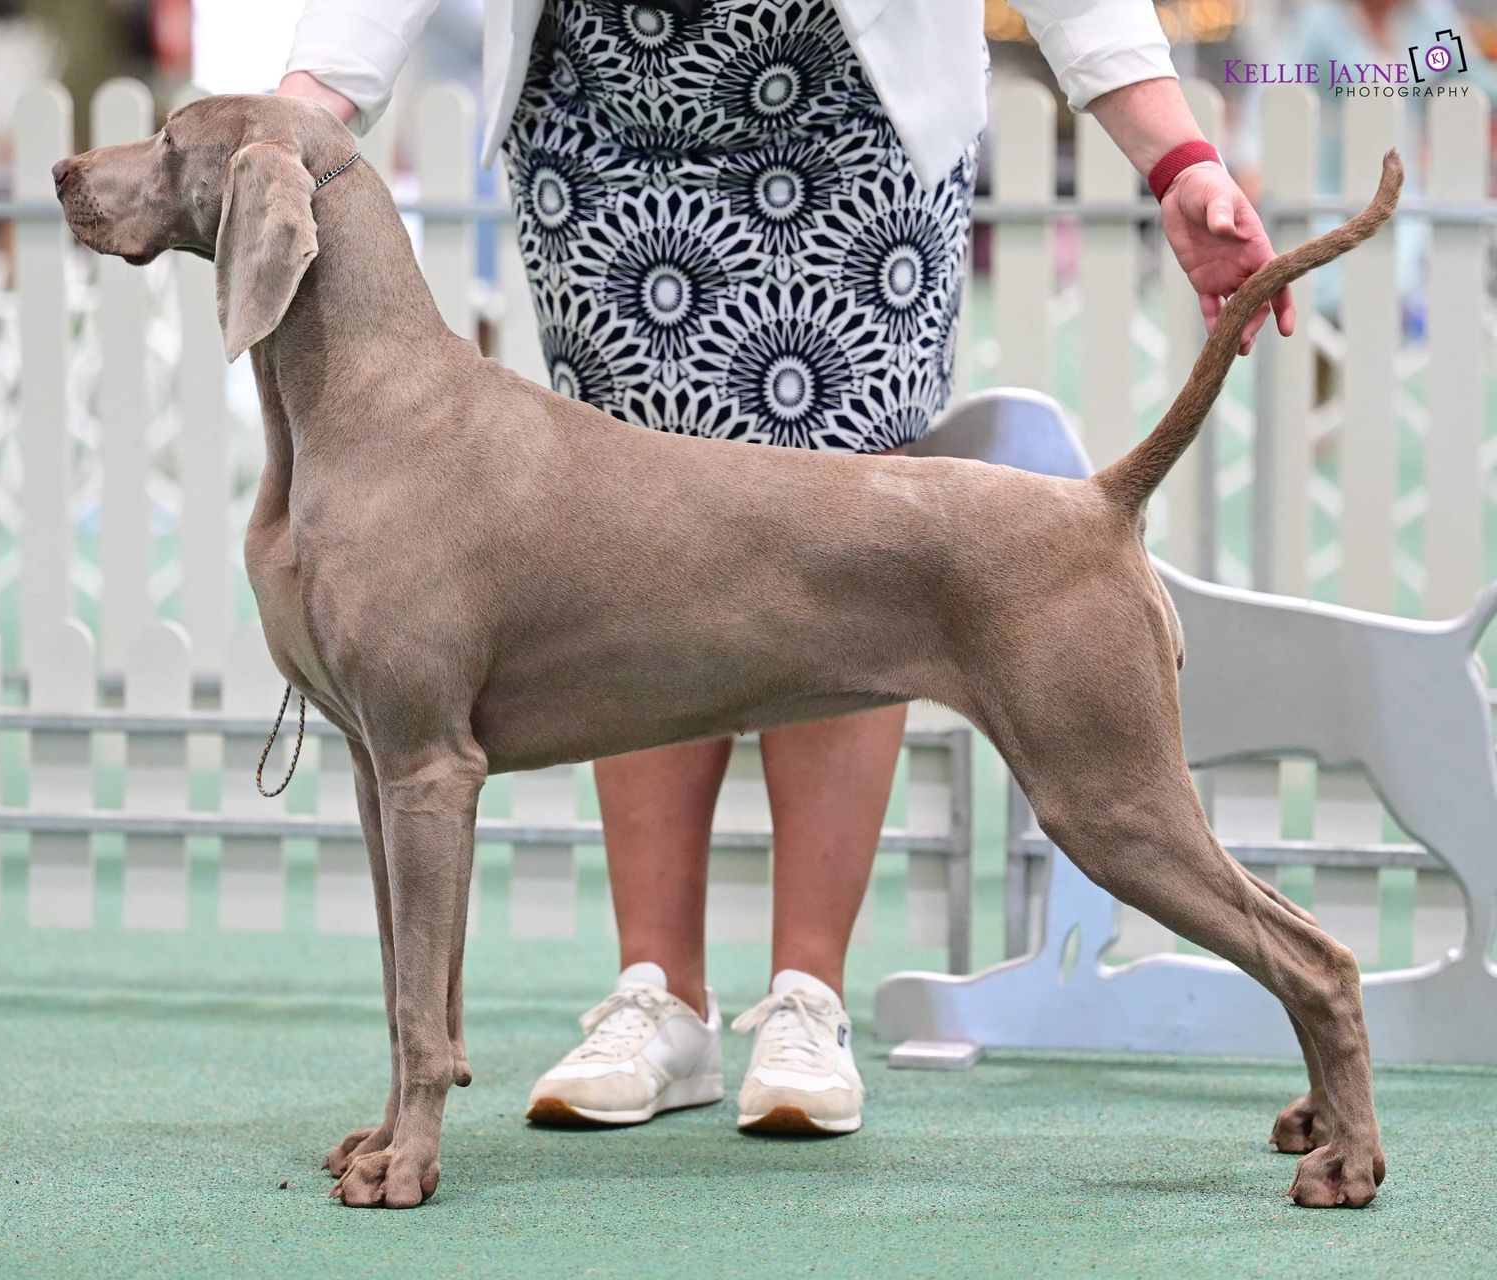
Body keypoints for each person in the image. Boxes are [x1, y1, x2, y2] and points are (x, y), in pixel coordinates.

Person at [279, 0, 1293, 1137]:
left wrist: (1177, 154)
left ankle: (809, 997)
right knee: (622, 542)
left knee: (856, 543)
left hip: (854, 124)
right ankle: (658, 998)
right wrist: (305, 104)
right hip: (611, 132)